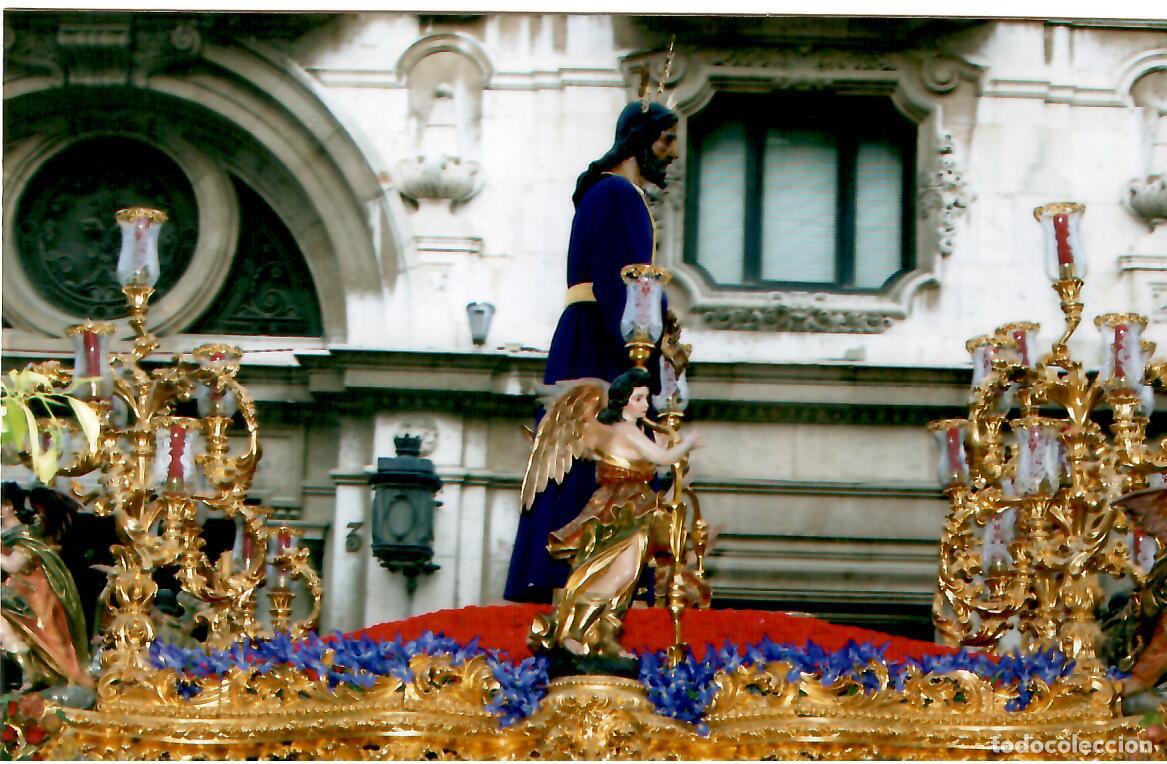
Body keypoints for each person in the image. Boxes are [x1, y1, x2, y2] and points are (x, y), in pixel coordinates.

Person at [504, 100, 680, 604]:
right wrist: (641, 356)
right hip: (602, 343)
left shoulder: (604, 195)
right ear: (639, 139)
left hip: (586, 335)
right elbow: (624, 282)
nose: (671, 155)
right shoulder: (620, 196)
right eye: (665, 141)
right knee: (603, 447)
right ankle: (589, 572)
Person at [524, 368, 700, 659]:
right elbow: (663, 459)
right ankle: (576, 631)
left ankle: (603, 636)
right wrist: (687, 442)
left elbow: (646, 460)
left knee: (624, 575)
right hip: (625, 507)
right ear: (624, 401)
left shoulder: (614, 431)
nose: (646, 405)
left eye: (646, 398)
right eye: (640, 398)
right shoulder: (627, 430)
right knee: (620, 573)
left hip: (630, 505)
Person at [0, 482, 92, 690]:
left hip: (33, 592)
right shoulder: (7, 531)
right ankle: (21, 663)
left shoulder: (27, 534)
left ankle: (33, 672)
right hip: (16, 587)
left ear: (8, 507)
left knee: (47, 639)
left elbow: (13, 565)